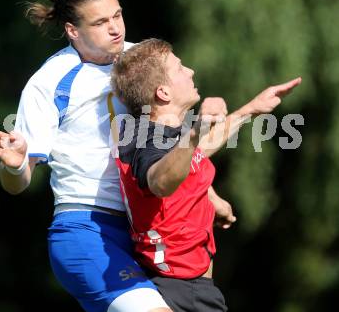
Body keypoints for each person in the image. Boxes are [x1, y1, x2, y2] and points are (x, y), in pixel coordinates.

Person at [0, 0, 172, 312]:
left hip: (152, 226)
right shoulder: (50, 81)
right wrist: (13, 166)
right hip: (86, 229)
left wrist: (209, 196)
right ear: (73, 31)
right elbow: (18, 183)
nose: (116, 27)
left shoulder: (148, 62)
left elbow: (176, 140)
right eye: (101, 22)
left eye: (117, 15)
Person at [111, 38, 302, 312]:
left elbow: (194, 151)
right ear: (163, 92)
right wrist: (195, 132)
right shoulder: (146, 141)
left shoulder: (159, 134)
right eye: (179, 69)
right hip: (182, 292)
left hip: (185, 287)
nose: (190, 71)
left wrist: (250, 110)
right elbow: (160, 181)